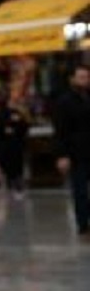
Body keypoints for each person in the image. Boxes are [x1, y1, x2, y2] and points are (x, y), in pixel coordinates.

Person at [53, 64, 90, 238]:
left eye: (87, 77)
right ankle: (83, 225)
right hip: (77, 153)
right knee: (80, 191)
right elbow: (60, 131)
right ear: (73, 79)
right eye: (81, 77)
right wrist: (62, 155)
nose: (85, 81)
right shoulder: (65, 102)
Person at [0, 91, 29, 200]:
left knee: (8, 170)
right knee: (16, 169)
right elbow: (24, 127)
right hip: (15, 147)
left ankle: (12, 187)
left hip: (3, 148)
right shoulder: (15, 113)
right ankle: (17, 188)